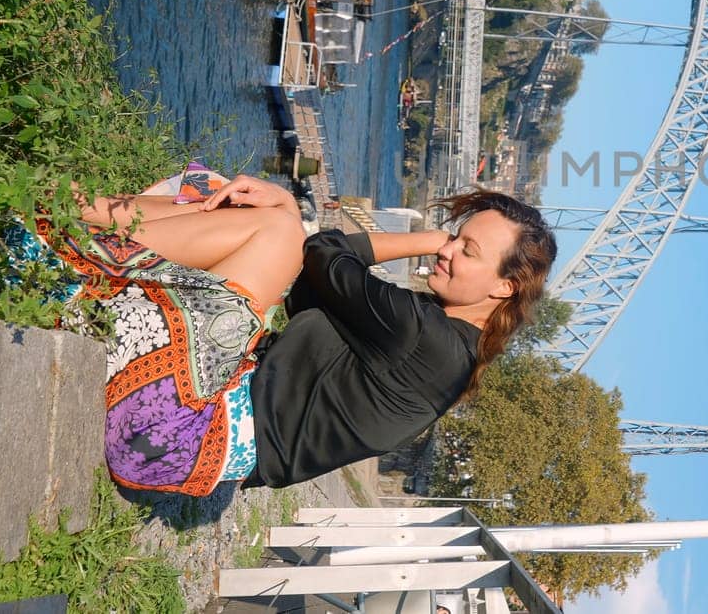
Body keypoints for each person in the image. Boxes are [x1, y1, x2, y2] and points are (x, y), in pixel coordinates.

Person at [44, 170, 556, 496]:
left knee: (280, 230)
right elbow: (309, 293)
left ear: (506, 287)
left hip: (168, 433)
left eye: (467, 251)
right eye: (455, 240)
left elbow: (323, 251)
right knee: (206, 186)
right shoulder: (445, 344)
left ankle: (58, 233)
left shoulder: (428, 340)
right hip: (183, 432)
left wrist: (429, 237)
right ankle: (77, 220)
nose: (448, 252)